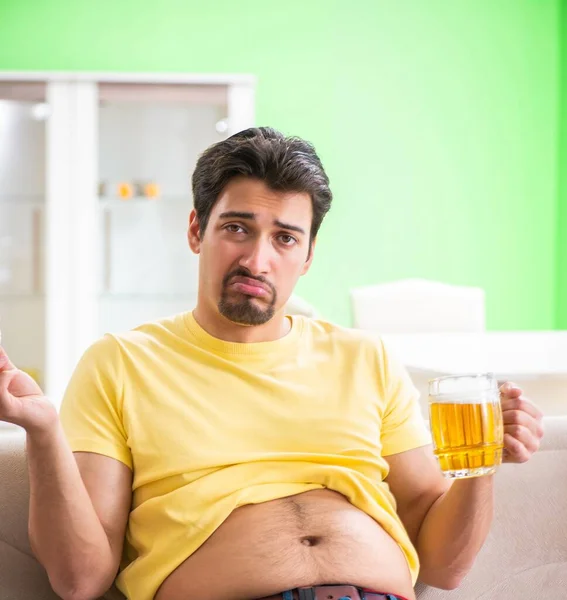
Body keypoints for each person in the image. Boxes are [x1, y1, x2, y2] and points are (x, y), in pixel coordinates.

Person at [0, 127, 543, 600]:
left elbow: (445, 567)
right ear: (197, 230)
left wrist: (481, 466)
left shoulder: (366, 357)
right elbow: (80, 579)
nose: (257, 260)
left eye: (285, 238)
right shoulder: (119, 363)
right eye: (237, 228)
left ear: (307, 256)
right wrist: (44, 430)